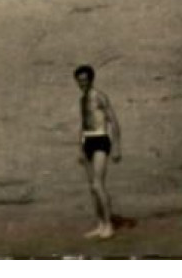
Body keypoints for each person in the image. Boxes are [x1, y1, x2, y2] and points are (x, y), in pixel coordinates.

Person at [75, 65, 121, 241]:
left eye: (85, 80)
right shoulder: (82, 100)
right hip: (87, 140)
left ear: (91, 80)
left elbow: (114, 121)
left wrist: (117, 146)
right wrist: (79, 147)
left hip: (101, 139)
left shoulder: (100, 96)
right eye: (79, 81)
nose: (82, 84)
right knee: (92, 188)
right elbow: (83, 125)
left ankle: (109, 225)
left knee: (98, 184)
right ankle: (100, 224)